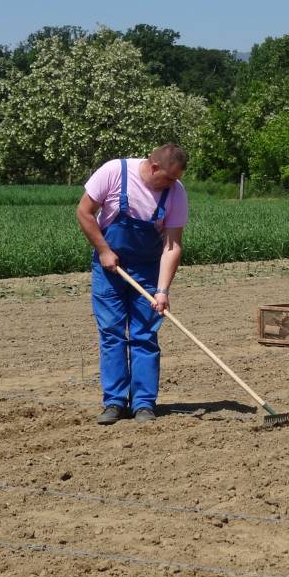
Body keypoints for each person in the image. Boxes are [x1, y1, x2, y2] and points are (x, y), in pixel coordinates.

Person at [76, 143, 188, 425]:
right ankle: (114, 402)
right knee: (112, 333)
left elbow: (172, 245)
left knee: (145, 334)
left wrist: (162, 290)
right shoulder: (115, 172)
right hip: (109, 268)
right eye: (168, 178)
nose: (172, 184)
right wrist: (103, 250)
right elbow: (84, 212)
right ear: (154, 168)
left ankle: (143, 404)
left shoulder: (176, 192)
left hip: (148, 269)